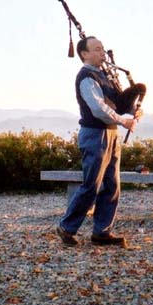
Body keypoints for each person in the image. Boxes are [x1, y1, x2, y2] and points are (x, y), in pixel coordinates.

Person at [56, 36, 142, 247]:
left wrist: (133, 111)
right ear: (84, 54)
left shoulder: (104, 75)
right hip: (95, 134)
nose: (102, 53)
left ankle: (102, 232)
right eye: (97, 49)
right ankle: (66, 227)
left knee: (112, 185)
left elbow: (116, 102)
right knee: (92, 185)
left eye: (102, 49)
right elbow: (98, 108)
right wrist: (123, 121)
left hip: (111, 133)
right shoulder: (86, 77)